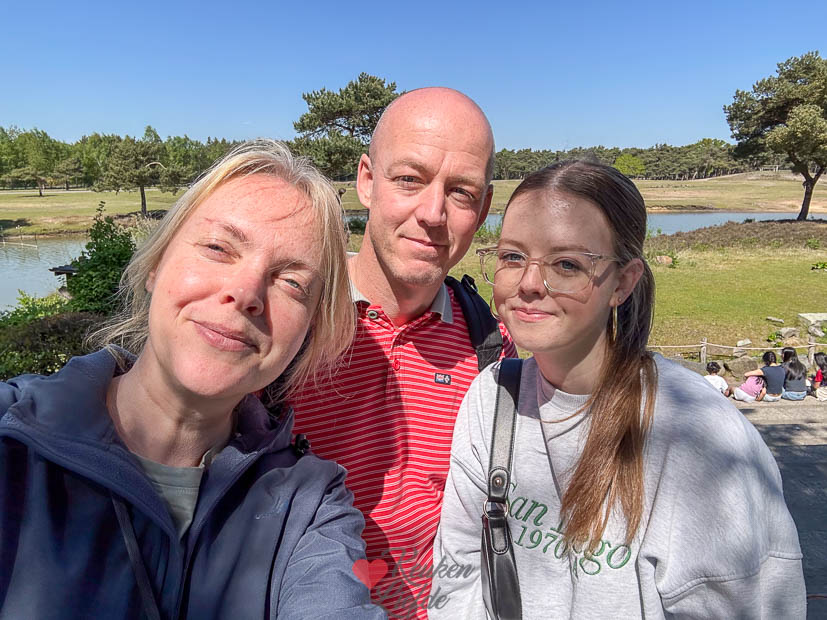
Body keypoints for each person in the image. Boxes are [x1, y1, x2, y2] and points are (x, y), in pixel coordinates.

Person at [0, 140, 384, 619]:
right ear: (156, 265)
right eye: (218, 247)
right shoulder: (13, 443)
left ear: (309, 327)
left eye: (291, 282)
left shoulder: (308, 508)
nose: (245, 293)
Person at [431, 161, 805, 618]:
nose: (529, 283)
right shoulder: (491, 397)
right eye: (512, 256)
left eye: (566, 264)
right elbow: (460, 568)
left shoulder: (699, 435)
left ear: (623, 283)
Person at [289, 88, 516, 618]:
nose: (432, 213)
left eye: (460, 192)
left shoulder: (490, 348)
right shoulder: (289, 321)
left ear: (483, 209)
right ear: (367, 181)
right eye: (409, 179)